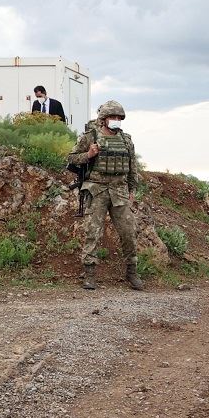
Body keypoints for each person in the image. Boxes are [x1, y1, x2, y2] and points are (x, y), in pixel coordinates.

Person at [69, 100, 142, 291]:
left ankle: (132, 272)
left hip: (119, 191)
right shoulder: (90, 137)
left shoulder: (126, 140)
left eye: (119, 117)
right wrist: (89, 155)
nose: (116, 120)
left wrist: (132, 190)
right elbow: (71, 158)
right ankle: (90, 274)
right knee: (93, 233)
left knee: (128, 232)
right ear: (103, 119)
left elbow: (132, 167)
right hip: (97, 190)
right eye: (112, 117)